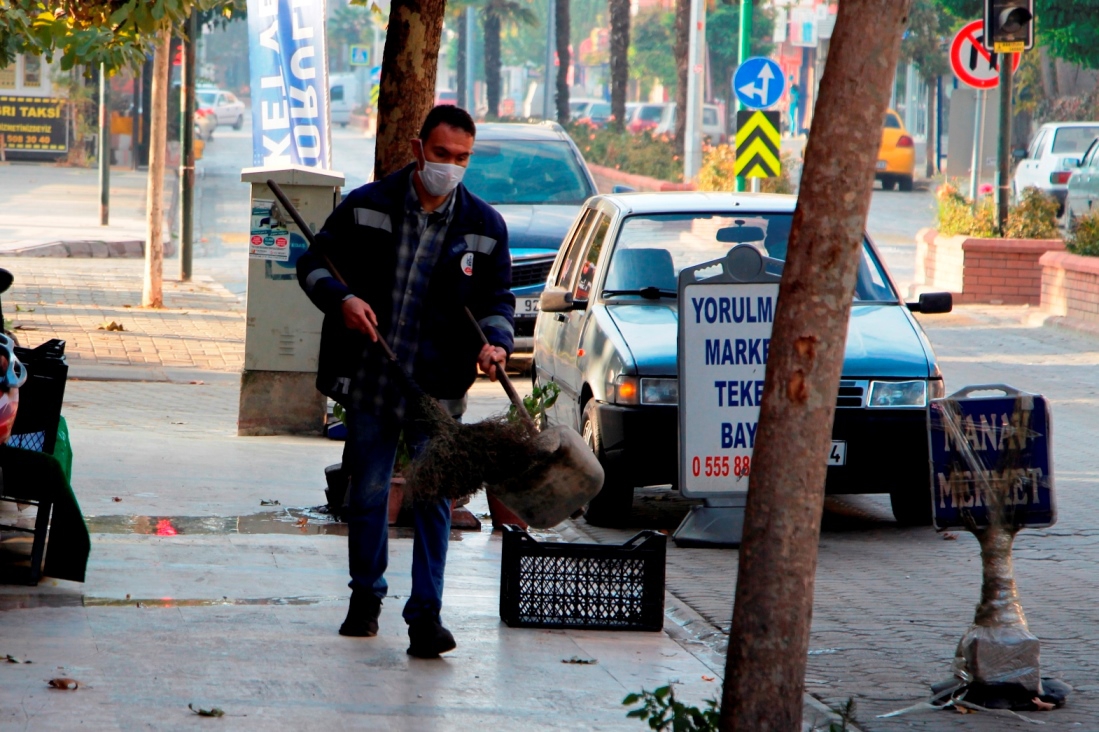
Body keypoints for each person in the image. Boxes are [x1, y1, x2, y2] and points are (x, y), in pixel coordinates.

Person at [296, 105, 515, 658]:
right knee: (368, 493)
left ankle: (426, 618)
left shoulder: (484, 228)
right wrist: (341, 299)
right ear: (419, 150)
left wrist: (496, 343)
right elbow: (313, 264)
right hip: (371, 377)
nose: (451, 167)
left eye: (462, 158)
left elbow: (497, 301)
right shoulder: (368, 205)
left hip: (439, 387)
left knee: (433, 500)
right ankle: (365, 600)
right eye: (441, 155)